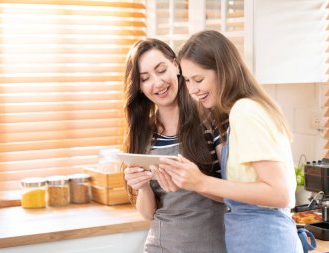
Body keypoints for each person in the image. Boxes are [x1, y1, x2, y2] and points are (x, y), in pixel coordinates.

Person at [159, 30, 305, 253]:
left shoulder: (244, 111)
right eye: (187, 81)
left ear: (223, 71)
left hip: (264, 240)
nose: (192, 90)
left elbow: (280, 193)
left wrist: (201, 182)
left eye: (198, 79)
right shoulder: (238, 112)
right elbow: (243, 190)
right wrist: (188, 181)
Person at [122, 38, 226, 253]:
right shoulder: (145, 135)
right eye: (145, 78)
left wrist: (195, 182)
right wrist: (142, 187)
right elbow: (149, 213)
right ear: (139, 87)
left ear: (176, 65)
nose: (157, 83)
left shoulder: (212, 122)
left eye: (161, 70)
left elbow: (237, 196)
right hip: (161, 247)